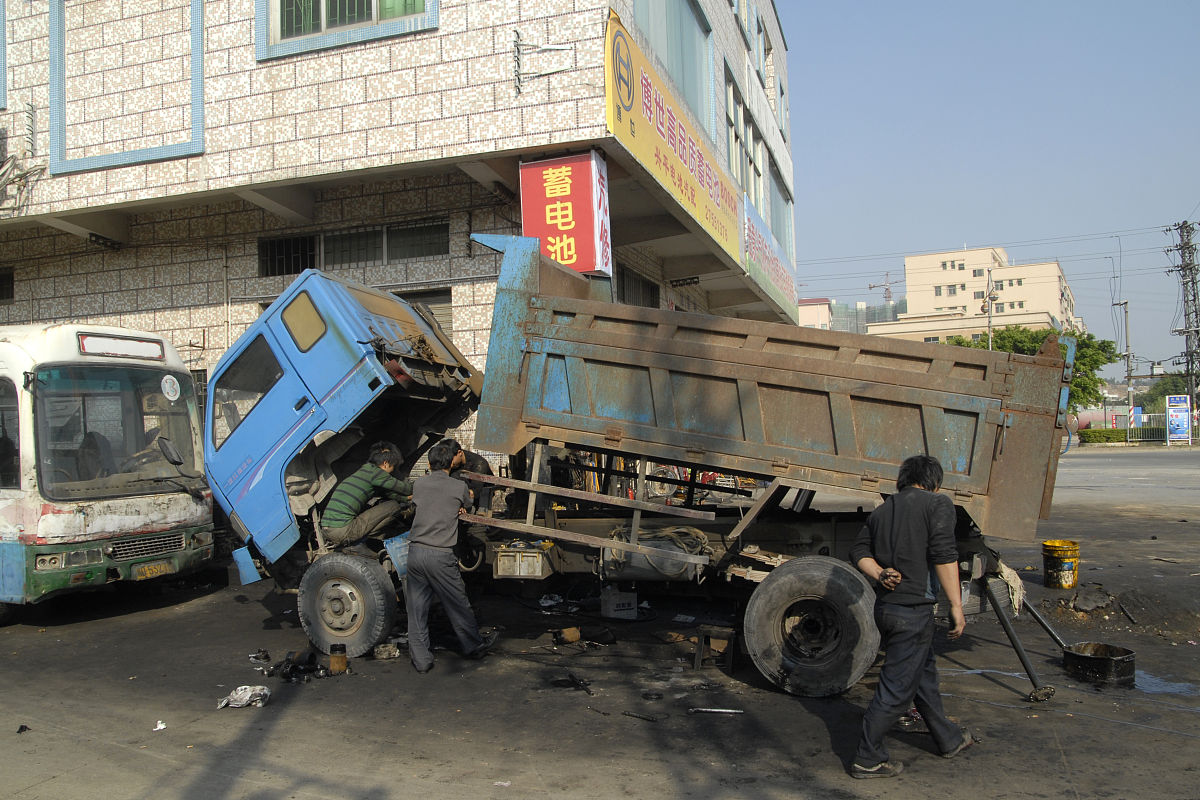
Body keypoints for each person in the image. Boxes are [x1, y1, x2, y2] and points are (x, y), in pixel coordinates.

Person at [848, 454, 973, 779]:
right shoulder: (937, 504)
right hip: (913, 613)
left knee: (923, 675)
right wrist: (956, 607)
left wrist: (880, 573)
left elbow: (858, 551)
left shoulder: (882, 511)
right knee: (896, 689)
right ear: (934, 482)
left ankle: (948, 739)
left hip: (887, 610)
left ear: (902, 480)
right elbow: (944, 556)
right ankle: (867, 758)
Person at [404, 438, 497, 673]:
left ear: (430, 462)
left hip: (415, 553)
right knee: (457, 603)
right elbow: (468, 501)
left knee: (416, 610)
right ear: (451, 464)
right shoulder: (458, 487)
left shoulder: (419, 485)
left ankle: (422, 660)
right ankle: (473, 645)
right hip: (440, 555)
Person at [320, 441, 412, 546]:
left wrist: (406, 499)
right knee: (393, 506)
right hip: (342, 530)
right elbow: (407, 489)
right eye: (393, 467)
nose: (393, 471)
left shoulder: (365, 471)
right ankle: (375, 539)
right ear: (386, 463)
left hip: (327, 529)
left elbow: (388, 493)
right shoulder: (378, 474)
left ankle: (374, 538)